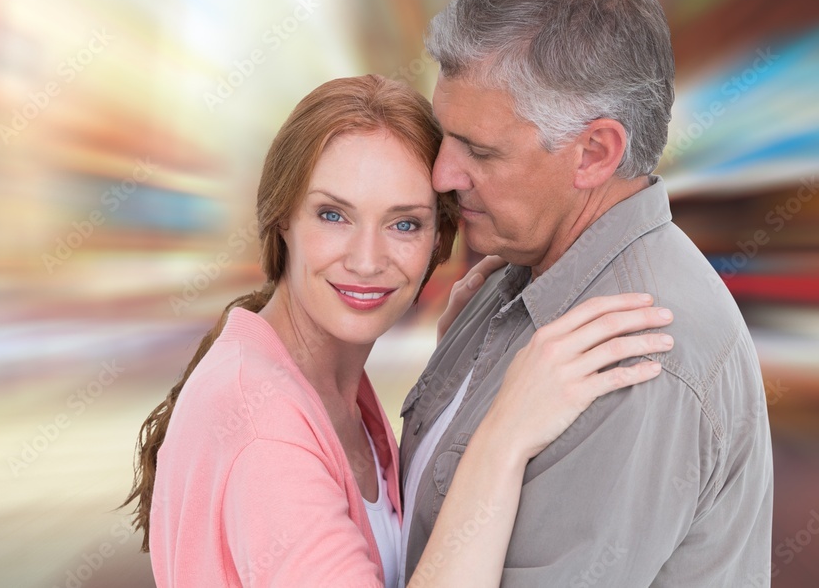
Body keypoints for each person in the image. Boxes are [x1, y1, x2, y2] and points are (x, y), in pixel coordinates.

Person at [123, 74, 674, 587]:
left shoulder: (331, 388)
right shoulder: (263, 427)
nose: (367, 260)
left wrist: (459, 377)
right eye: (333, 215)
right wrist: (504, 435)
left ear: (439, 241)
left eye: (404, 223)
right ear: (281, 218)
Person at [399, 0, 774, 586]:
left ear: (595, 153)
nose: (441, 175)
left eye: (480, 150)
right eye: (444, 134)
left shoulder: (638, 357)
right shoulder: (519, 268)